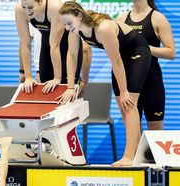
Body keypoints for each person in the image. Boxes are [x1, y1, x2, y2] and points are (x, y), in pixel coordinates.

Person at [57, 1, 151, 166]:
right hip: (121, 58)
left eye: (69, 23)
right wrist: (70, 87)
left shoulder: (103, 29)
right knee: (124, 108)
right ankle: (136, 154)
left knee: (129, 104)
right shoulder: (75, 30)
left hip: (137, 53)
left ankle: (128, 157)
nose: (67, 28)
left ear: (79, 15)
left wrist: (124, 90)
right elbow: (71, 56)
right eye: (64, 24)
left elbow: (115, 61)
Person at [117, 0, 176, 130]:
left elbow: (171, 53)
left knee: (155, 129)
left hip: (151, 81)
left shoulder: (158, 18)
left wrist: (142, 48)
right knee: (133, 129)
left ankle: (152, 152)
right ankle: (135, 151)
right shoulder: (121, 18)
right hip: (129, 83)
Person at [15, 0, 84, 94]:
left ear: (40, 2)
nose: (27, 11)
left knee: (65, 88)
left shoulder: (54, 7)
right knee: (45, 87)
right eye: (24, 7)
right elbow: (25, 44)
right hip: (47, 45)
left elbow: (55, 45)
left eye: (31, 7)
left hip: (67, 46)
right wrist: (28, 77)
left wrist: (57, 78)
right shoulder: (19, 10)